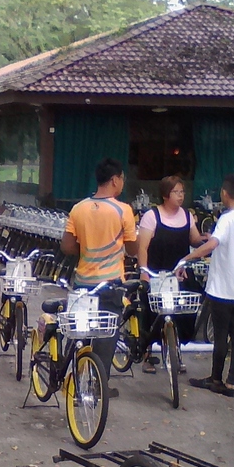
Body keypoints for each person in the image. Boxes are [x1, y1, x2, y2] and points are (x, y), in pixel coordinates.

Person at [176, 174, 234, 396]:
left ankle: (216, 379)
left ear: (225, 193)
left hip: (222, 287)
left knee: (221, 334)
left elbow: (213, 244)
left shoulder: (227, 218)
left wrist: (187, 258)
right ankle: (232, 382)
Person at [61, 157, 137, 370]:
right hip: (110, 286)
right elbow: (132, 249)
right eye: (122, 179)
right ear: (115, 180)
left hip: (83, 283)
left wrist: (87, 248)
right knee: (104, 342)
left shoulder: (78, 208)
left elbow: (66, 246)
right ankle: (98, 383)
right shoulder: (123, 210)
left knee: (79, 335)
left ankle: (73, 378)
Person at [136, 176, 205, 370]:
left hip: (179, 273)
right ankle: (147, 354)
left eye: (182, 192)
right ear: (165, 194)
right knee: (152, 314)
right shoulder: (152, 216)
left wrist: (209, 240)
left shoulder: (187, 215)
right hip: (156, 272)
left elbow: (194, 240)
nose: (180, 196)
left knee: (182, 313)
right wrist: (144, 272)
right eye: (176, 192)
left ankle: (176, 353)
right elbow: (142, 248)